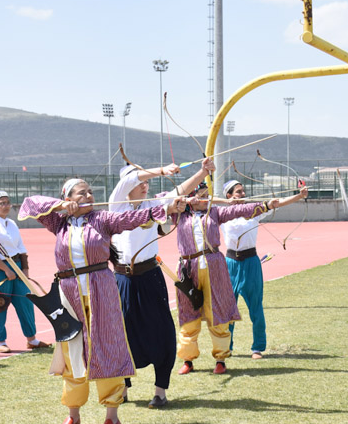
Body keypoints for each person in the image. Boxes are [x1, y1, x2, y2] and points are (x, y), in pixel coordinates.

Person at [19, 178, 186, 424]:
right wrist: (62, 205)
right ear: (69, 196)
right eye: (81, 193)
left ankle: (112, 415)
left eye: (90, 192)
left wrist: (167, 209)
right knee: (72, 350)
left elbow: (135, 218)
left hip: (101, 289)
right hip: (69, 292)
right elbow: (30, 204)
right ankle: (73, 414)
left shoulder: (103, 219)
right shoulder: (58, 222)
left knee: (106, 345)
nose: (88, 195)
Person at [109, 158, 214, 409]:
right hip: (122, 278)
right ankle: (122, 387)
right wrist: (160, 171)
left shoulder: (154, 205)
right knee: (122, 333)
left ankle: (160, 391)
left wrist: (202, 172)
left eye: (146, 181)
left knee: (162, 331)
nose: (144, 185)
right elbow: (131, 180)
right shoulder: (116, 204)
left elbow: (181, 191)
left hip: (150, 277)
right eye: (140, 181)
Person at [173, 178, 299, 376]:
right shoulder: (179, 216)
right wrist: (181, 202)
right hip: (189, 269)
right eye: (202, 196)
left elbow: (240, 210)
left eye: (208, 196)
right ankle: (188, 360)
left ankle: (221, 359)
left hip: (214, 267)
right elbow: (162, 201)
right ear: (190, 198)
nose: (207, 199)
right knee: (189, 315)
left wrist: (267, 205)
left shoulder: (215, 213)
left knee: (219, 312)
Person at [221, 180, 308, 359]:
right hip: (230, 264)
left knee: (256, 307)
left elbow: (277, 203)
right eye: (238, 192)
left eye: (243, 191)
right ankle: (226, 346)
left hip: (251, 263)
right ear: (229, 196)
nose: (243, 194)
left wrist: (299, 196)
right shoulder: (221, 213)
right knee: (228, 309)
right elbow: (204, 204)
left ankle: (257, 347)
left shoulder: (254, 211)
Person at [0, 190, 50, 353]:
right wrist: (5, 269)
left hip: (17, 266)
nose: (6, 206)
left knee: (25, 302)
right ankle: (0, 341)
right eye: (2, 203)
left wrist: (25, 269)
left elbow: (21, 248)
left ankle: (32, 339)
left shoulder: (12, 224)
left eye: (7, 202)